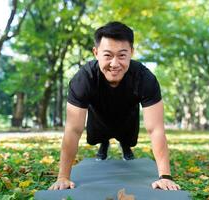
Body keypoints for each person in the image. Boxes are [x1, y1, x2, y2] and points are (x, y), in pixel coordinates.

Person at [48, 21, 181, 191]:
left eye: (122, 55)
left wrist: (165, 176)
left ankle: (124, 144)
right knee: (98, 136)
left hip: (128, 115)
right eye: (108, 55)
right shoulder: (83, 79)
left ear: (131, 53)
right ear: (96, 53)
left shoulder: (145, 79)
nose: (115, 63)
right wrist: (63, 177)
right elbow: (73, 129)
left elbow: (156, 129)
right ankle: (104, 142)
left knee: (128, 139)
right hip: (98, 115)